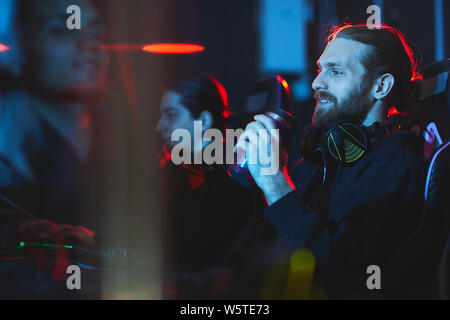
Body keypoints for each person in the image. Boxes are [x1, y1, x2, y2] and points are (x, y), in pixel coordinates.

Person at [236, 24, 447, 298]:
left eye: (335, 72)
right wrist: (257, 182)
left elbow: (336, 275)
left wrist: (274, 182)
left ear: (381, 86)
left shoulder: (395, 163)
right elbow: (261, 253)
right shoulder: (320, 160)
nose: (316, 83)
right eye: (321, 69)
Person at [0, 0, 113, 240]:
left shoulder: (128, 144)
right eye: (61, 31)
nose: (88, 46)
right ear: (18, 50)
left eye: (97, 35)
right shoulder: (9, 152)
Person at [156, 75, 275, 294]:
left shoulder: (237, 179)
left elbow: (195, 251)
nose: (160, 126)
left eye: (171, 116)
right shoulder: (180, 169)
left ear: (204, 120)